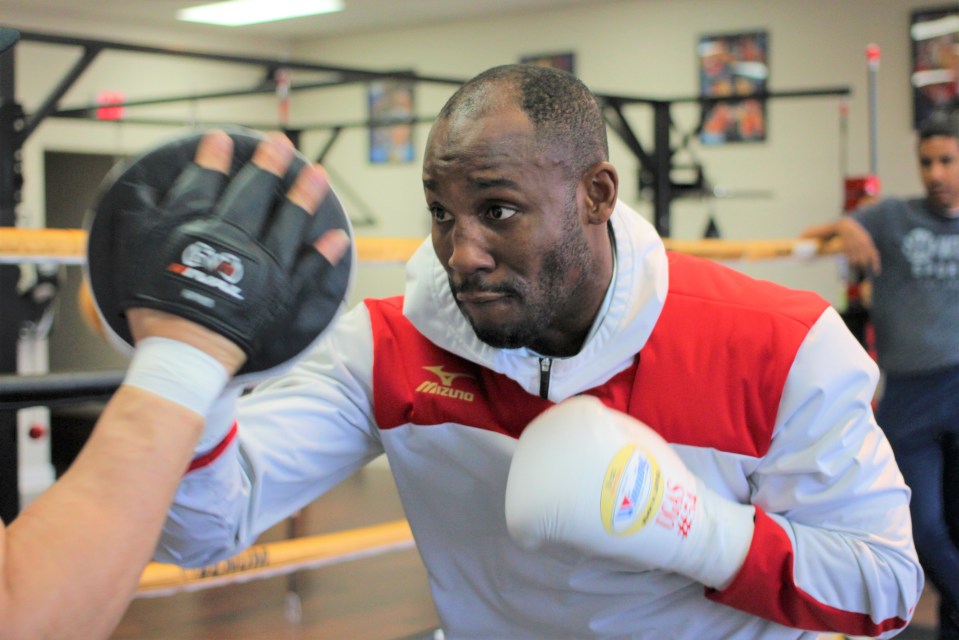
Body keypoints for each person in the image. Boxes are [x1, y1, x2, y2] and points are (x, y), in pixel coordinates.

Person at [156, 64, 923, 639]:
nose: (463, 253)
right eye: (440, 213)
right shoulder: (389, 346)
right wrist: (207, 365)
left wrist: (698, 531)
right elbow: (198, 530)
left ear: (595, 194)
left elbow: (885, 589)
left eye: (498, 211)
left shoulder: (777, 344)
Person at [0, 131, 350, 638]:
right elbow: (23, 613)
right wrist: (187, 351)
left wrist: (201, 368)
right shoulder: (375, 349)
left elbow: (202, 535)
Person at [802, 109, 959, 640]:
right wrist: (849, 224)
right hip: (910, 396)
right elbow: (816, 232)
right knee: (920, 522)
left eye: (947, 160)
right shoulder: (894, 216)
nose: (935, 172)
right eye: (926, 161)